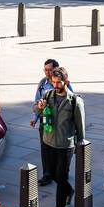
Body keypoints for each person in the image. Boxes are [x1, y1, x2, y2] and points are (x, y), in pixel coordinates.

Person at [40, 66, 85, 207]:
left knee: (62, 176)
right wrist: (38, 108)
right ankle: (69, 190)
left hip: (65, 145)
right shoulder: (48, 95)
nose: (56, 85)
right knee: (53, 175)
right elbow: (37, 113)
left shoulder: (75, 101)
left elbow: (81, 127)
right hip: (48, 141)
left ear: (66, 82)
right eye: (53, 82)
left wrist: (81, 146)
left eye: (59, 83)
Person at [29, 58, 67, 186]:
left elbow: (70, 99)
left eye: (50, 70)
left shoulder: (63, 83)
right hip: (45, 121)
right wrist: (34, 117)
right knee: (45, 148)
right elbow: (36, 102)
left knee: (58, 148)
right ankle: (47, 174)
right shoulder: (42, 83)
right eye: (45, 70)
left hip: (60, 123)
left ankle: (60, 171)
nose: (47, 72)